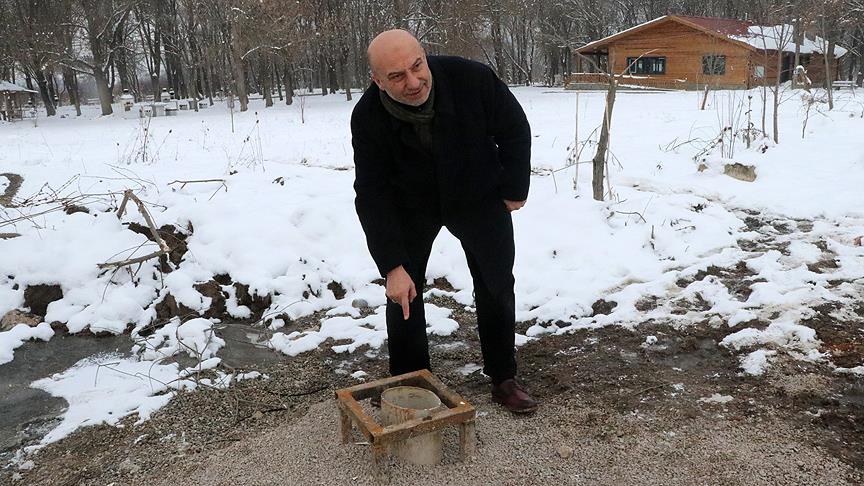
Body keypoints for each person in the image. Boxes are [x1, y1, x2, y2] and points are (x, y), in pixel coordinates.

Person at [351, 29, 537, 413]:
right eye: (397, 77)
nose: (413, 82)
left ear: (425, 56)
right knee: (402, 291)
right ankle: (411, 381)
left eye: (417, 67)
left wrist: (514, 188)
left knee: (496, 281)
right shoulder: (367, 116)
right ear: (377, 81)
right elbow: (371, 193)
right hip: (410, 205)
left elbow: (515, 128)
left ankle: (503, 377)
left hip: (477, 193)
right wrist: (391, 265)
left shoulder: (472, 79)